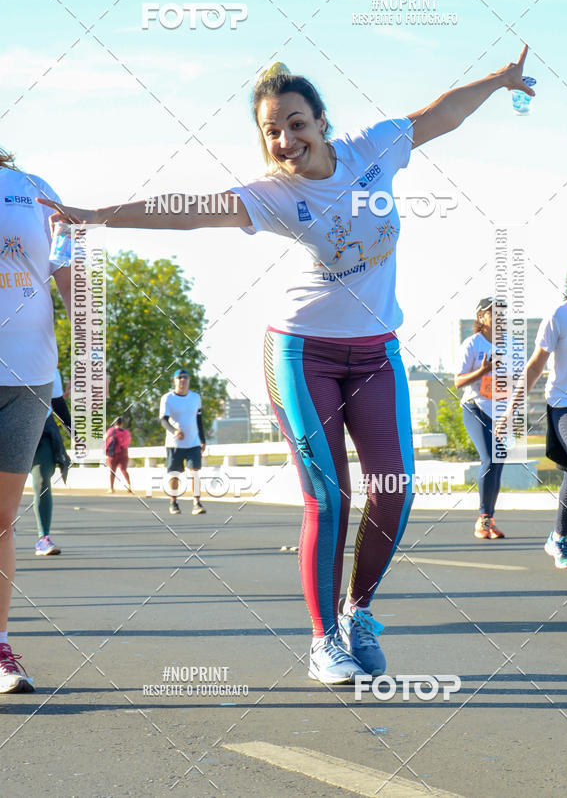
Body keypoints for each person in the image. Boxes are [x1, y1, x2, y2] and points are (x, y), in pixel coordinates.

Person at [38, 47, 535, 685]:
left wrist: (499, 80)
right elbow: (186, 210)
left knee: (395, 490)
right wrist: (96, 215)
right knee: (329, 495)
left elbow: (440, 115)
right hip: (303, 353)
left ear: (321, 122)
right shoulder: (274, 194)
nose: (284, 140)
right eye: (271, 131)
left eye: (295, 124)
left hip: (376, 352)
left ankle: (358, 612)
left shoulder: (373, 149)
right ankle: (324, 640)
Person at [0, 148, 71, 692]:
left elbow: (69, 274)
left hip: (28, 374)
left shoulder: (32, 187)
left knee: (2, 519)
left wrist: (91, 353)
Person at [502, 250, 567, 570]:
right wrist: (511, 409)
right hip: (566, 406)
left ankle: (558, 537)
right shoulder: (560, 315)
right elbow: (535, 366)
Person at [455, 297, 506, 540]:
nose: (500, 316)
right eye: (494, 312)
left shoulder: (509, 345)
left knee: (499, 460)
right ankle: (483, 518)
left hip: (500, 411)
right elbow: (458, 381)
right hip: (475, 407)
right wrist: (483, 371)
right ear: (481, 318)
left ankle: (489, 519)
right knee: (488, 457)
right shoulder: (472, 344)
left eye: (502, 313)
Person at [31, 368, 71, 556]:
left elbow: (57, 401)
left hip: (42, 430)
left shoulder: (48, 365)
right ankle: (7, 527)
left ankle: (43, 537)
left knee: (42, 480)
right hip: (8, 428)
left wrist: (73, 432)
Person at [159, 369, 206, 515]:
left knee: (195, 472)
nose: (183, 380)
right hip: (175, 443)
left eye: (185, 377)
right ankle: (173, 502)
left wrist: (203, 439)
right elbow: (163, 420)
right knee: (175, 474)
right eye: (179, 377)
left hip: (193, 442)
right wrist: (174, 431)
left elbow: (199, 419)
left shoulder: (195, 397)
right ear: (174, 381)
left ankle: (196, 503)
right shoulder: (167, 398)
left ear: (189, 380)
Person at [104, 416, 132, 494]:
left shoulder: (111, 430)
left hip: (112, 454)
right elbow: (128, 442)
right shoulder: (126, 432)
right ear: (121, 424)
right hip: (123, 453)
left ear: (114, 423)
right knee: (124, 470)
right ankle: (129, 485)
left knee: (112, 471)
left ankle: (111, 488)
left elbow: (104, 438)